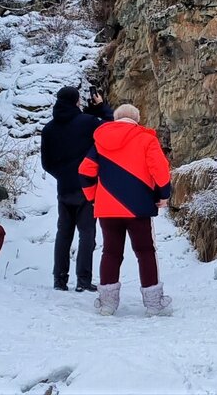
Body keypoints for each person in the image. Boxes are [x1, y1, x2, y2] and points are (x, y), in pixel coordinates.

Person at [78, 103, 173, 317]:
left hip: (107, 207)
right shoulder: (146, 138)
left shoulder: (100, 140)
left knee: (110, 253)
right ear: (136, 119)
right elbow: (160, 170)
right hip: (138, 206)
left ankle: (107, 304)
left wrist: (93, 197)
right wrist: (163, 195)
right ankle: (154, 305)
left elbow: (85, 171)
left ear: (116, 118)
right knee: (145, 252)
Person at [40, 84, 113, 292]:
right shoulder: (88, 122)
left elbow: (46, 163)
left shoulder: (49, 129)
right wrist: (101, 108)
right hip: (87, 186)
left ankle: (59, 280)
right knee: (87, 234)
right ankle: (83, 280)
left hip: (64, 189)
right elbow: (110, 129)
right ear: (76, 101)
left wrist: (63, 175)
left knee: (63, 234)